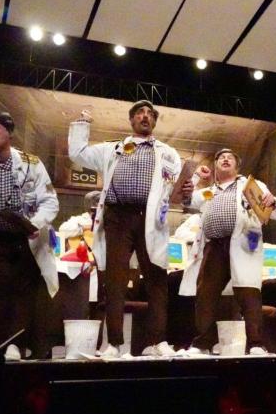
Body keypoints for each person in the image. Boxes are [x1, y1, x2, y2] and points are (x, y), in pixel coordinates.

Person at [68, 100, 195, 358]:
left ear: (155, 122)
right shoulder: (112, 148)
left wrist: (187, 191)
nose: (145, 117)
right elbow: (77, 153)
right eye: (140, 113)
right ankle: (114, 344)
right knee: (114, 281)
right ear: (132, 120)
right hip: (117, 218)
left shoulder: (168, 153)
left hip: (150, 219)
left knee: (157, 280)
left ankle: (158, 342)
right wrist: (82, 124)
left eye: (150, 114)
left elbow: (178, 190)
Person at [0, 110, 59, 360]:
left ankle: (16, 345)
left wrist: (33, 224)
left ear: (9, 132)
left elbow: (50, 201)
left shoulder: (32, 163)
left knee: (24, 293)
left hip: (27, 237)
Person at [179, 149, 276, 356]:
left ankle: (255, 343)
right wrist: (195, 177)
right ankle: (202, 344)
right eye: (220, 158)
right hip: (214, 246)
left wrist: (272, 201)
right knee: (205, 294)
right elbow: (186, 199)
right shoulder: (210, 191)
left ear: (237, 166)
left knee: (249, 294)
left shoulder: (251, 185)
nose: (225, 159)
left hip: (244, 245)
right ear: (216, 165)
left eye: (230, 158)